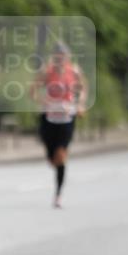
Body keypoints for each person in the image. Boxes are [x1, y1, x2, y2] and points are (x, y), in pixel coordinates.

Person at [33, 43, 87, 208]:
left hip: (67, 118)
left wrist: (80, 104)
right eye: (57, 56)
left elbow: (83, 89)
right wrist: (43, 100)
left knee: (61, 156)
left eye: (63, 56)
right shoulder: (47, 71)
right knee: (52, 158)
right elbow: (33, 90)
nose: (60, 59)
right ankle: (52, 157)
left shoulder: (74, 71)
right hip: (49, 118)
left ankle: (58, 195)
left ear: (68, 57)